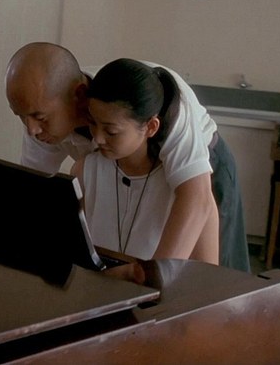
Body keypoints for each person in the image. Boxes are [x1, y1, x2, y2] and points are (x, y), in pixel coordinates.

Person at [5, 42, 249, 272]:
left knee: (220, 280)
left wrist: (154, 280)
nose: (31, 129)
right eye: (20, 116)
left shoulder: (160, 104)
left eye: (40, 117)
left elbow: (196, 200)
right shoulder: (43, 114)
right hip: (124, 174)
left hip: (203, 170)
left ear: (79, 95)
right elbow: (33, 193)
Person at [71, 58, 219, 264]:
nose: (97, 138)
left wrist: (146, 276)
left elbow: (207, 273)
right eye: (92, 123)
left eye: (111, 131)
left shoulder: (189, 190)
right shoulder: (84, 170)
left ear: (150, 127)